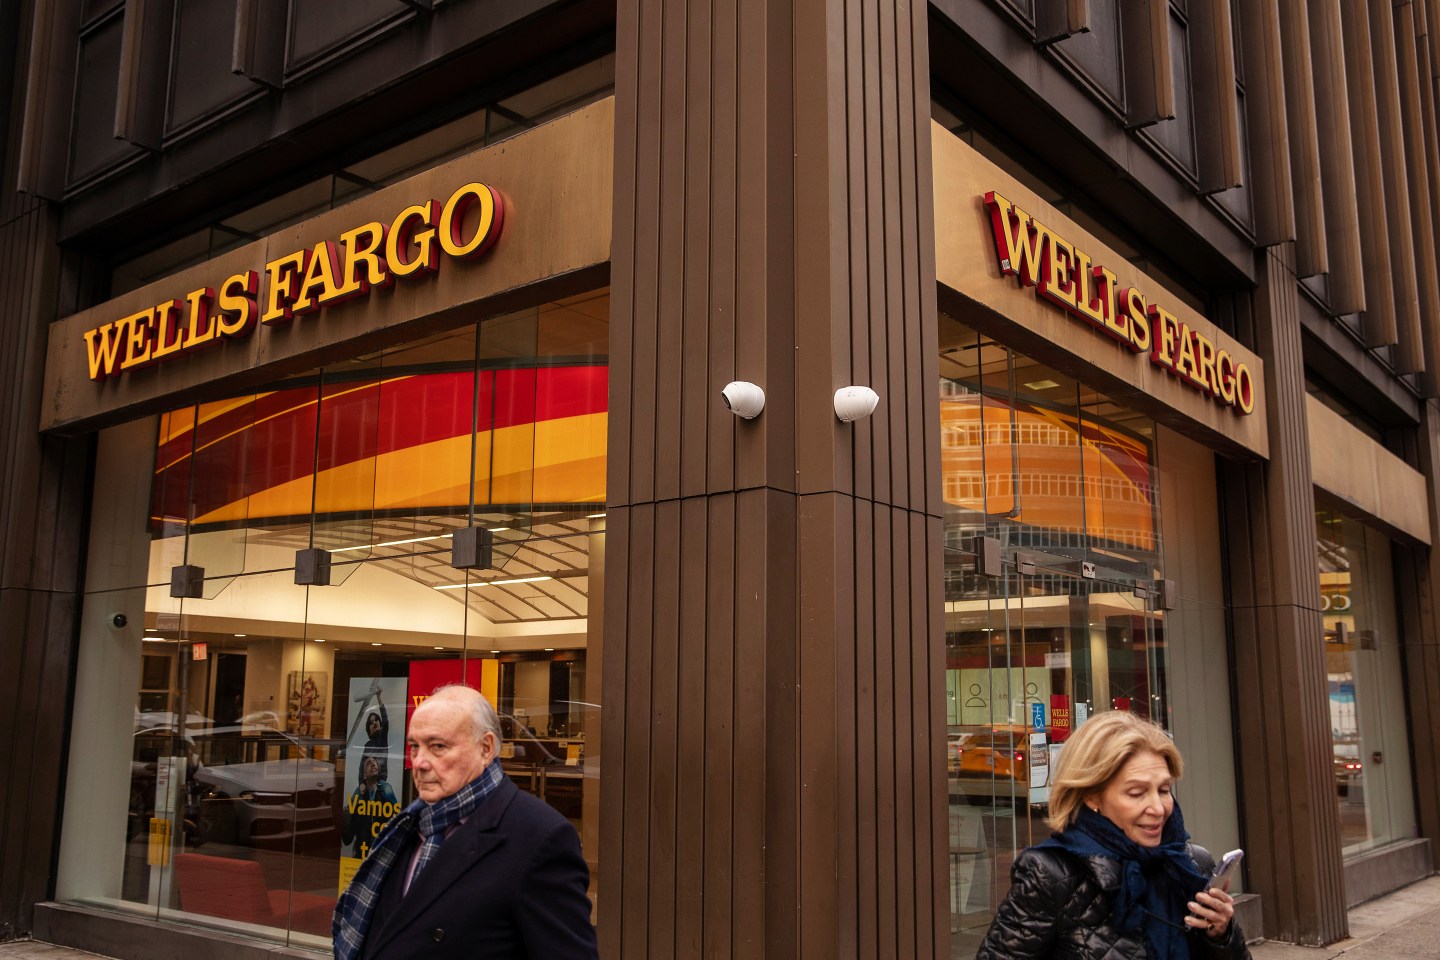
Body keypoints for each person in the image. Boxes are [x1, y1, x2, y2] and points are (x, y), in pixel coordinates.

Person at [333, 684, 598, 960]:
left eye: (437, 746)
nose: (420, 762)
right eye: (414, 747)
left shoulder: (541, 838)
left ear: (486, 748)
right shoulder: (405, 828)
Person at [975, 711, 1252, 959]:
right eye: (1136, 793)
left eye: (1164, 790)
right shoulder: (1050, 875)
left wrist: (1221, 935)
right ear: (1092, 795)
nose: (1157, 808)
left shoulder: (1192, 864)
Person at [342, 755, 399, 858]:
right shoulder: (359, 797)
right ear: (364, 775)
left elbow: (396, 822)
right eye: (369, 763)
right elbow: (347, 839)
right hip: (361, 856)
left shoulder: (385, 791)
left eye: (374, 762)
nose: (373, 764)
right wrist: (347, 814)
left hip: (381, 855)